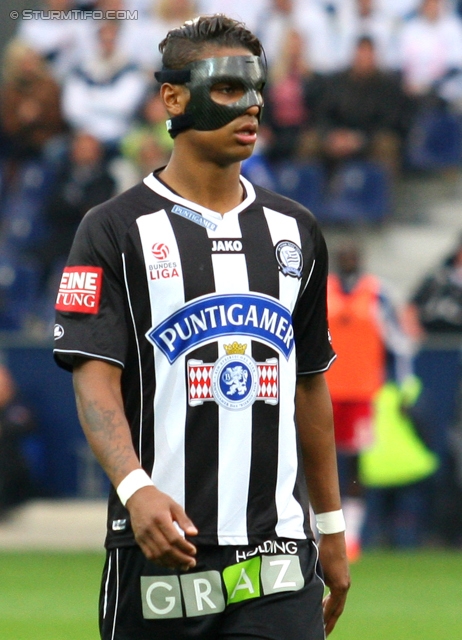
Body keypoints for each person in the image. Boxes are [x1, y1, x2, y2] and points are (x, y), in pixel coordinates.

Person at [53, 14, 350, 640]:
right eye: (226, 88)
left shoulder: (297, 232)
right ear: (173, 97)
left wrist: (329, 528)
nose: (252, 105)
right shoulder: (112, 230)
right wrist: (135, 490)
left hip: (277, 558)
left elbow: (308, 385)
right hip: (159, 550)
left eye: (257, 89)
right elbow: (94, 381)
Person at [325, 239, 412, 562]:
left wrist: (404, 387)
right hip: (323, 391)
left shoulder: (377, 294)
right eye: (342, 254)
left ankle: (352, 535)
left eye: (352, 254)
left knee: (355, 466)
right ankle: (313, 529)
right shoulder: (321, 290)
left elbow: (399, 344)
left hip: (361, 392)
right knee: (317, 460)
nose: (347, 258)